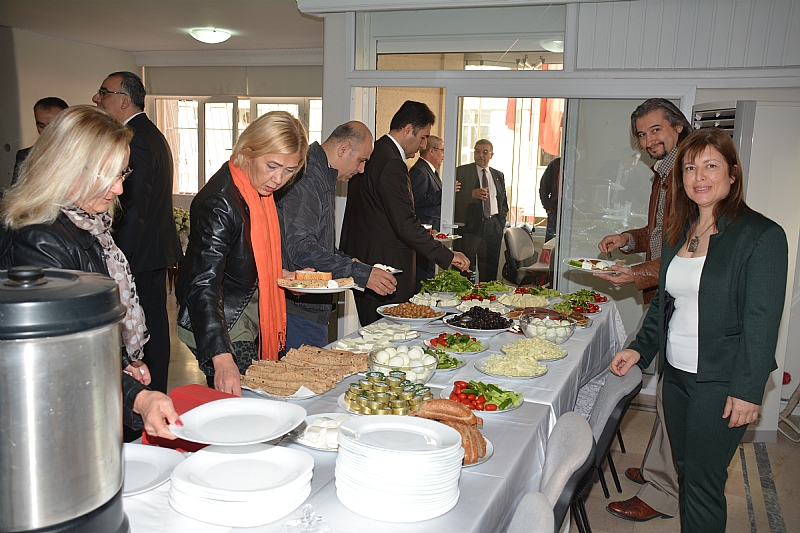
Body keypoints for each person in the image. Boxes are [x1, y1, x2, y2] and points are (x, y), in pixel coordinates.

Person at [609, 127, 787, 533]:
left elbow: (762, 322)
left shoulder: (761, 235)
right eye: (690, 167)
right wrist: (640, 348)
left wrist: (747, 390)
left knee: (704, 483)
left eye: (711, 165)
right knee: (687, 474)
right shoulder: (680, 230)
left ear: (733, 174)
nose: (699, 176)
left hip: (721, 383)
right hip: (677, 378)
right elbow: (665, 304)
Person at [0, 105, 180, 439]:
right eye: (110, 175)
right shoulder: (39, 239)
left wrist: (124, 361)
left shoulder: (84, 222)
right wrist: (136, 397)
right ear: (69, 168)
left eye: (122, 174)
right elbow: (61, 354)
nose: (119, 189)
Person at [596, 98, 691, 522]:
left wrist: (636, 275)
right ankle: (658, 471)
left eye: (655, 129)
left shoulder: (687, 175)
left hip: (679, 301)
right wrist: (626, 239)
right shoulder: (665, 173)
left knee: (673, 397)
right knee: (667, 393)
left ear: (677, 127)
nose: (647, 139)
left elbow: (682, 254)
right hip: (663, 298)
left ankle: (663, 492)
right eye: (641, 133)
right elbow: (659, 235)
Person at [176, 111, 308, 397]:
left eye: (289, 171)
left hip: (241, 311)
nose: (278, 179)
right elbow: (203, 283)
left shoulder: (253, 190)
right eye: (272, 166)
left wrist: (284, 276)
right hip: (222, 321)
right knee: (249, 403)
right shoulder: (220, 202)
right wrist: (222, 358)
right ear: (247, 151)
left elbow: (246, 259)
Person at [340, 101, 470, 326]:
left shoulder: (374, 153)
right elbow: (405, 224)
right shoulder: (392, 163)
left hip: (365, 260)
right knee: (389, 336)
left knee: (376, 333)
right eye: (422, 137)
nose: (422, 145)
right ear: (408, 130)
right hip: (386, 267)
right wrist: (447, 255)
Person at [93, 71, 182, 394]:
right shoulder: (148, 132)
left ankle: (147, 396)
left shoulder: (134, 137)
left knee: (146, 335)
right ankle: (151, 393)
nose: (96, 98)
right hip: (152, 250)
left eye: (103, 92)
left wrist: (119, 265)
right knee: (153, 328)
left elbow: (133, 209)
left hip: (139, 253)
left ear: (123, 100)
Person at [277, 121, 397, 350]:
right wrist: (359, 273)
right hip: (298, 309)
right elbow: (301, 249)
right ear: (343, 149)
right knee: (308, 384)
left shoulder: (322, 174)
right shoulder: (309, 177)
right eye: (361, 160)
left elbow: (317, 242)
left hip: (308, 308)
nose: (361, 170)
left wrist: (346, 261)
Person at [454, 139, 508, 282]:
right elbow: (451, 197)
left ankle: (487, 299)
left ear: (491, 155)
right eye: (477, 151)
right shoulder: (461, 172)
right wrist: (471, 194)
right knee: (466, 268)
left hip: (493, 226)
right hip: (470, 228)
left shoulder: (498, 175)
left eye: (485, 152)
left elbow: (503, 201)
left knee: (490, 269)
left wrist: (500, 222)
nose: (480, 155)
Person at [409, 134, 448, 292]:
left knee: (429, 274)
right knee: (423, 278)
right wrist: (445, 193)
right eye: (442, 150)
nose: (444, 155)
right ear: (431, 150)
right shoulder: (419, 171)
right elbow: (417, 200)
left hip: (431, 233)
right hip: (423, 233)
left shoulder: (431, 172)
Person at [11, 97, 69, 186]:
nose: (46, 131)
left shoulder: (83, 154)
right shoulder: (25, 156)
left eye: (52, 125)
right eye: (41, 126)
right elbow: (16, 193)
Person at [538, 157, 560, 242]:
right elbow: (543, 187)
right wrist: (547, 208)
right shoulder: (555, 164)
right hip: (554, 212)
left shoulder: (578, 165)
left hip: (572, 213)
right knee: (550, 244)